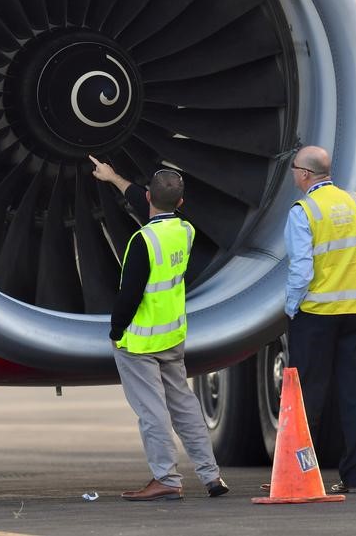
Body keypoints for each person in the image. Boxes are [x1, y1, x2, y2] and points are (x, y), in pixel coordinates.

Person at [90, 155, 228, 502]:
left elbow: (129, 294)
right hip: (173, 337)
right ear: (180, 202)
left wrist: (116, 331)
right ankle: (211, 476)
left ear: (149, 196)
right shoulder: (185, 231)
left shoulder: (142, 242)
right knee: (185, 408)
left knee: (152, 413)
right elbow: (149, 200)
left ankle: (166, 478)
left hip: (139, 341)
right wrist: (113, 178)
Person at [284, 145, 356, 494]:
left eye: (294, 168)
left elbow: (301, 270)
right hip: (355, 311)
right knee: (355, 394)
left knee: (307, 397)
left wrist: (291, 308)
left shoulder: (304, 211)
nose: (293, 174)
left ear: (305, 174)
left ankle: (300, 474)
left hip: (316, 313)